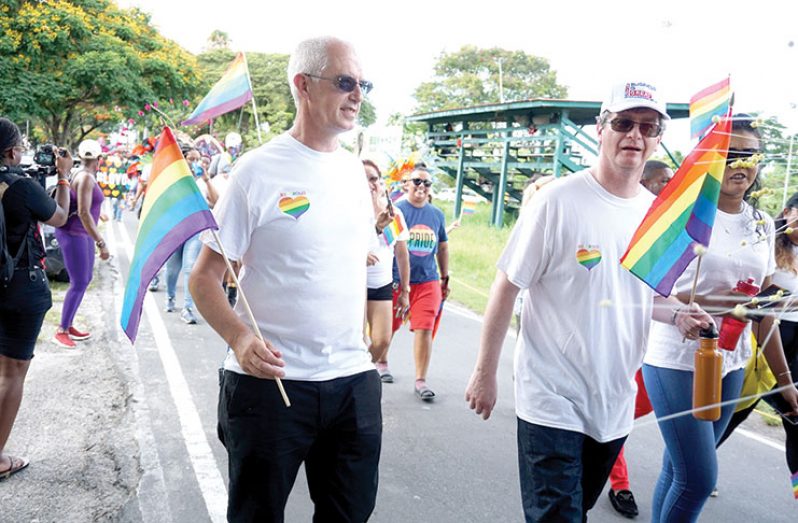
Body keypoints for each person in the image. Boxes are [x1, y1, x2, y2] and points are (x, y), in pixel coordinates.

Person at [465, 81, 714, 522]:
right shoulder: (555, 201)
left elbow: (640, 298)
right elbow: (507, 285)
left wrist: (677, 314)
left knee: (575, 510)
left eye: (648, 127)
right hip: (550, 398)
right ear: (601, 128)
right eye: (623, 123)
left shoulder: (655, 215)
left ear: (658, 138)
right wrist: (485, 373)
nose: (635, 136)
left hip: (612, 403)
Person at [190, 36, 381, 521]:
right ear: (303, 85)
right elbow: (205, 277)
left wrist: (380, 324)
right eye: (345, 82)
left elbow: (361, 261)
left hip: (352, 382)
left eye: (363, 84)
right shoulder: (256, 171)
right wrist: (239, 337)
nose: (358, 94)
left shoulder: (354, 172)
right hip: (268, 386)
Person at [642, 114, 798, 522]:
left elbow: (763, 313)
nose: (740, 164)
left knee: (679, 470)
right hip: (675, 357)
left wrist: (784, 383)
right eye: (730, 154)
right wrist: (680, 311)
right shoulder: (683, 216)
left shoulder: (763, 225)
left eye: (750, 155)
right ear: (710, 159)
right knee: (697, 479)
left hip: (732, 359)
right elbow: (644, 286)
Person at [0, 117, 72, 480]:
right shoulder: (22, 186)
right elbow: (59, 217)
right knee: (12, 372)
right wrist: (63, 176)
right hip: (19, 286)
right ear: (12, 151)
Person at [606, 159, 670, 518]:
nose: (668, 187)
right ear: (643, 182)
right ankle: (620, 484)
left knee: (625, 413)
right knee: (618, 414)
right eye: (662, 181)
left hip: (663, 342)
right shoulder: (622, 223)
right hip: (622, 340)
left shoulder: (672, 229)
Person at [391, 166, 449, 401]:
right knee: (388, 328)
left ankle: (421, 379)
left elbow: (443, 246)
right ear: (406, 184)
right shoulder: (396, 212)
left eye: (427, 183)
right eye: (417, 182)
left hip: (428, 280)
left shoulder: (436, 214)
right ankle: (381, 361)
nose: (422, 187)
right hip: (396, 281)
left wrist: (445, 277)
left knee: (425, 327)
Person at [52, 139, 110, 349]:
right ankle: (62, 330)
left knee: (84, 280)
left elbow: (83, 207)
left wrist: (99, 215)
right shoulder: (86, 177)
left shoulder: (81, 174)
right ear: (99, 159)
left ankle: (68, 323)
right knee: (79, 281)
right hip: (75, 233)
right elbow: (84, 213)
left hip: (79, 233)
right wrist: (101, 242)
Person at [363, 159, 410, 382]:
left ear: (381, 182)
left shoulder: (395, 214)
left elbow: (402, 253)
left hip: (382, 284)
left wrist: (405, 290)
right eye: (363, 179)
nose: (370, 184)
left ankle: (362, 371)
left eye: (373, 179)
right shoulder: (348, 211)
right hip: (354, 284)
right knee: (357, 341)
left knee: (382, 341)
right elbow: (337, 247)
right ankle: (358, 380)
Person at [164, 146, 218, 323]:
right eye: (192, 159)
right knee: (172, 270)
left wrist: (207, 180)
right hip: (176, 230)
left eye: (198, 160)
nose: (196, 163)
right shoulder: (174, 180)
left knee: (190, 268)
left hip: (196, 230)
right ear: (183, 160)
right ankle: (170, 297)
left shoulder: (203, 182)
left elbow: (216, 202)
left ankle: (188, 308)